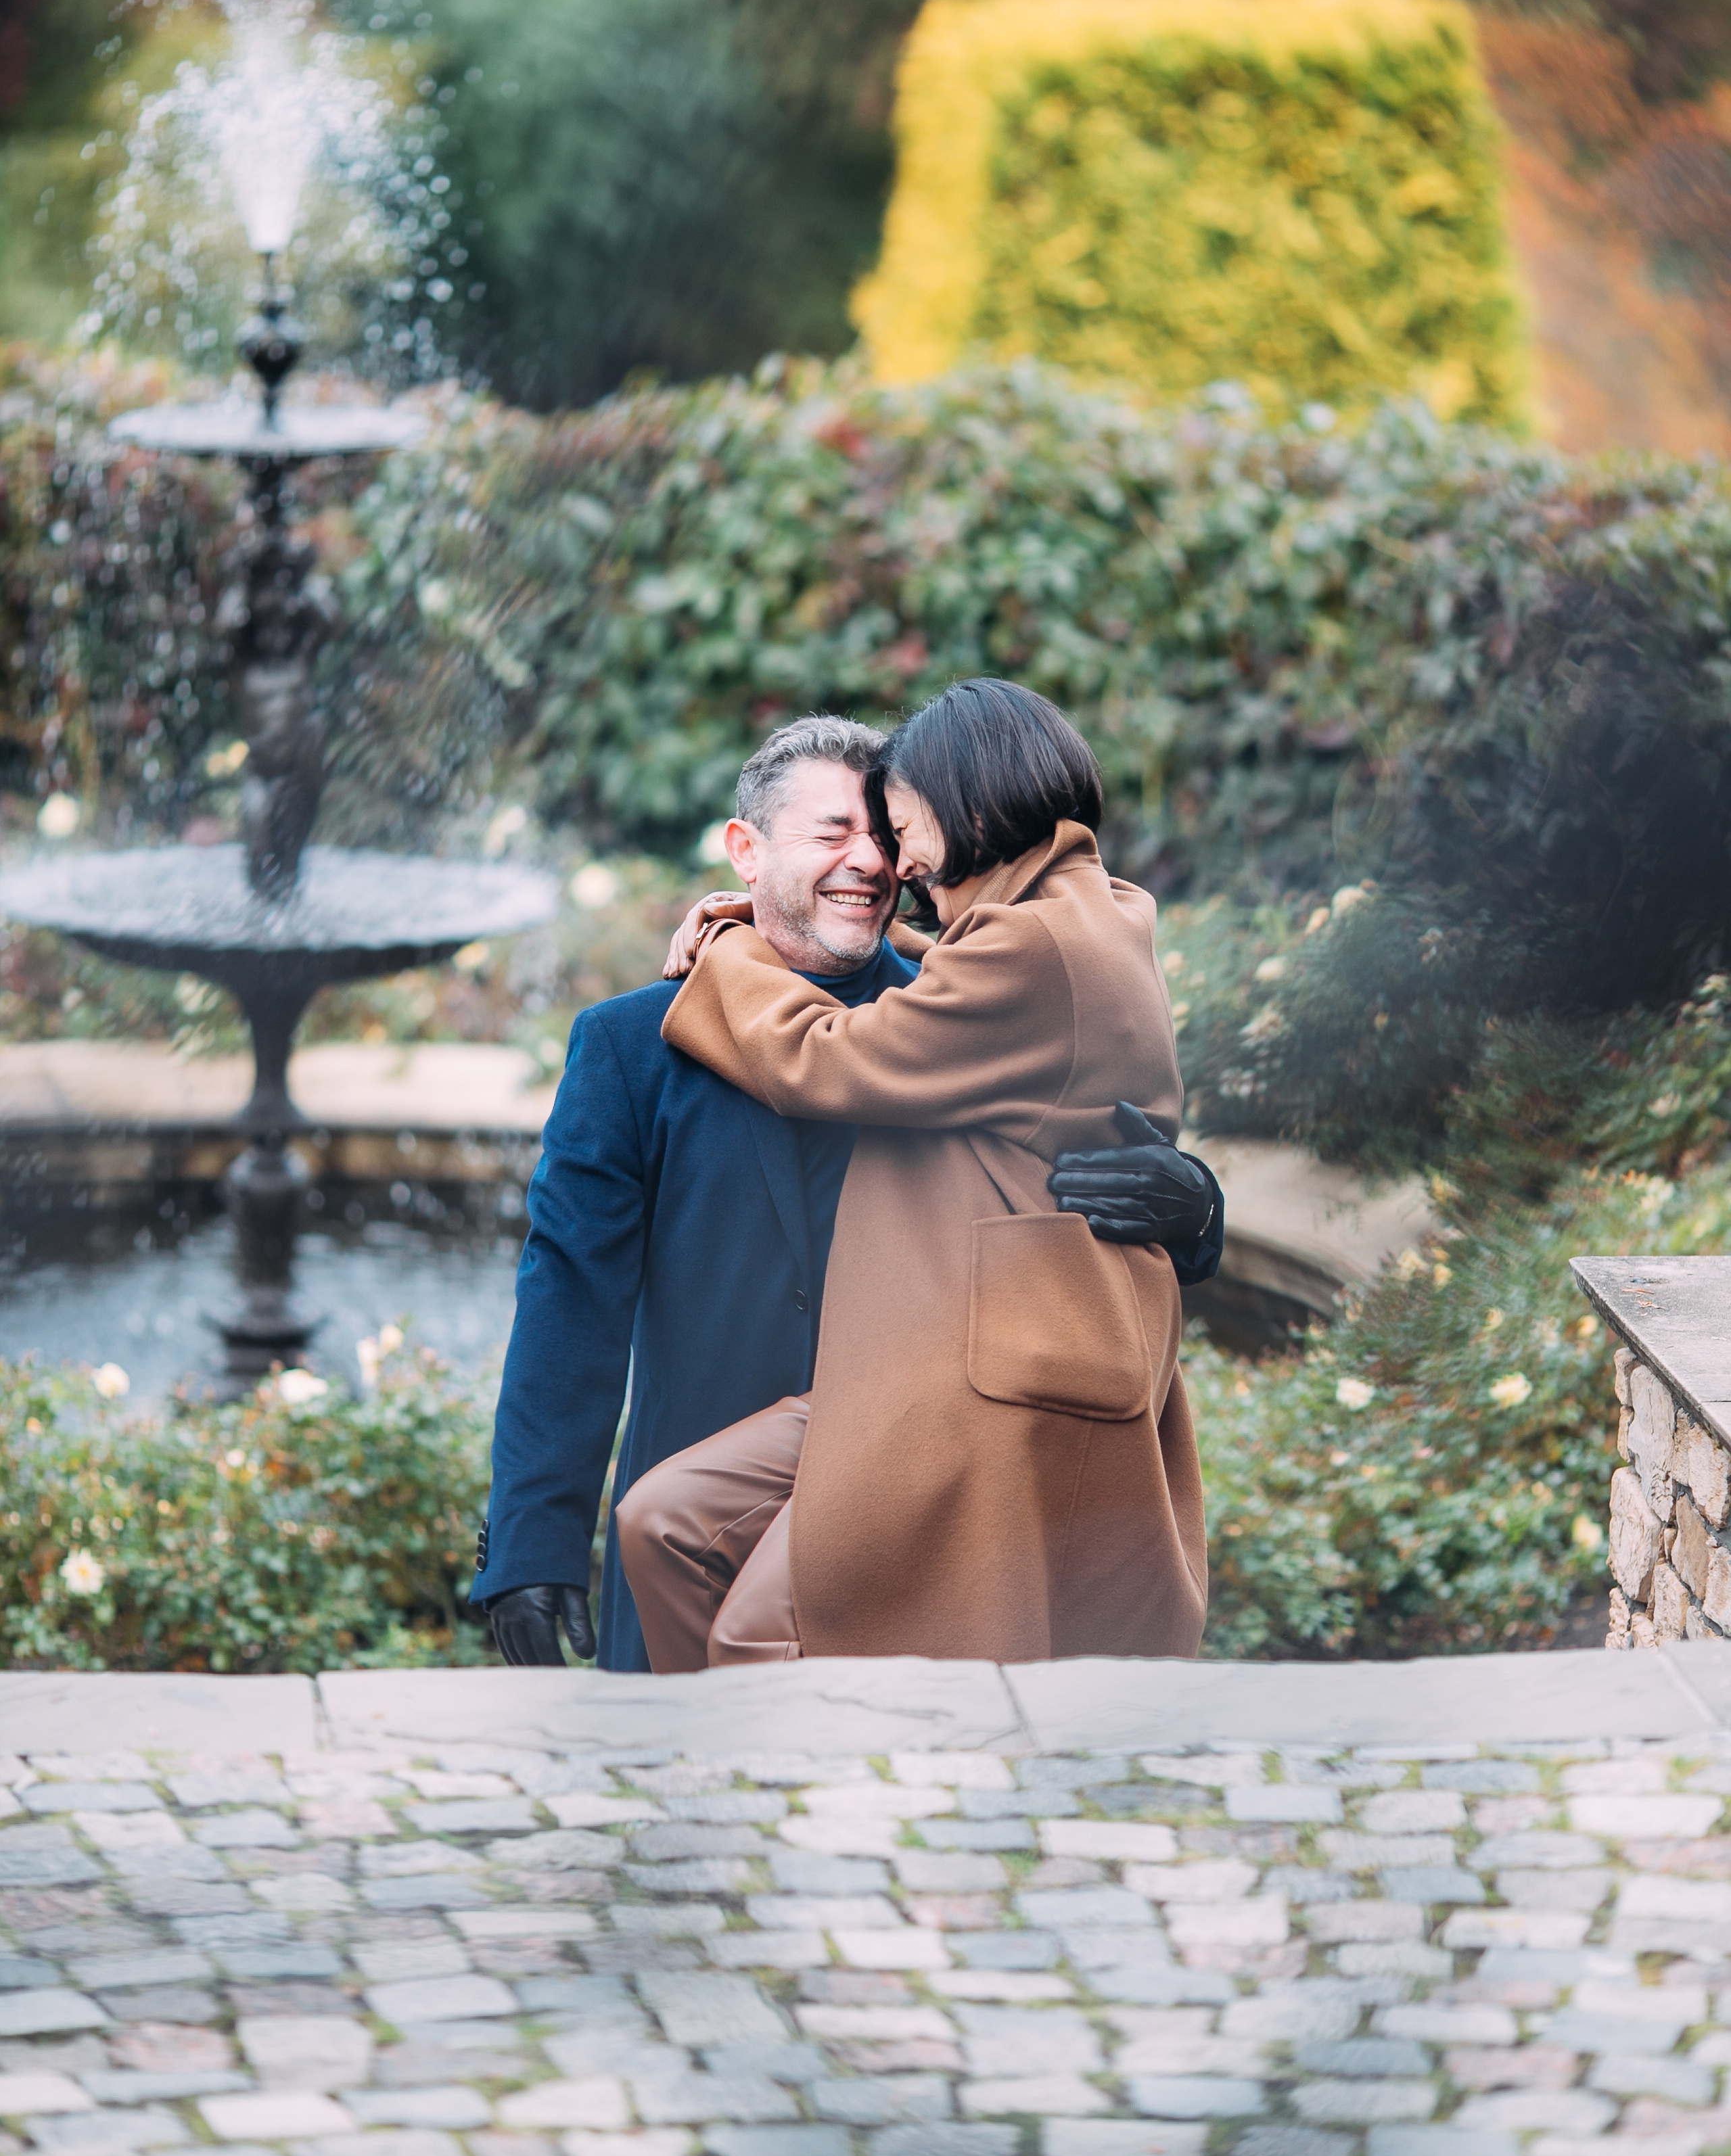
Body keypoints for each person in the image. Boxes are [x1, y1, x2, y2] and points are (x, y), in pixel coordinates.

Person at [471, 709, 1217, 1672]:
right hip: (712, 1512)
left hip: (944, 1505)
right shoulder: (628, 1048)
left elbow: (1098, 1132)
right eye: (834, 832)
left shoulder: (957, 991)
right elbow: (570, 1299)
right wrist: (531, 1543)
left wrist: (1195, 1208)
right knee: (689, 1806)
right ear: (747, 850)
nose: (875, 860)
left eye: (885, 831)